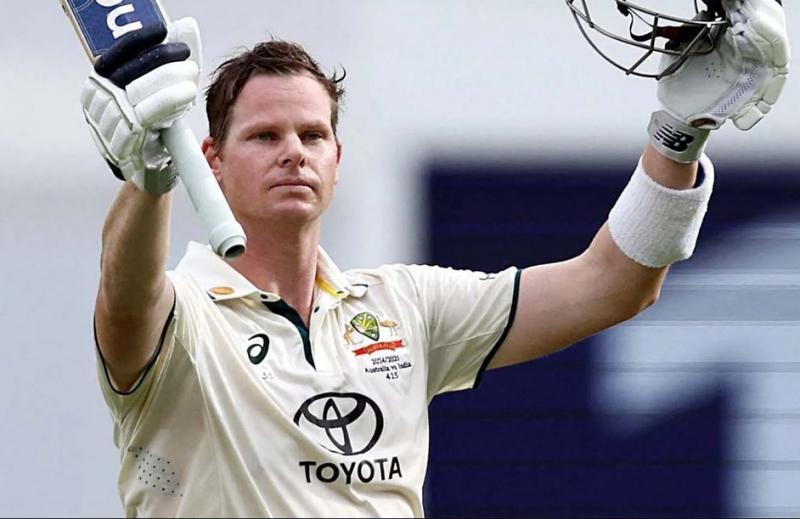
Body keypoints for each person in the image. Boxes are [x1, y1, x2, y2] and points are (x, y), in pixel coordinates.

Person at [80, 1, 789, 516]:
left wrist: (679, 132)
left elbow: (613, 283)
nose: (293, 151)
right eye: (265, 136)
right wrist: (149, 177)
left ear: (336, 157)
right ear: (212, 159)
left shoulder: (403, 307)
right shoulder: (184, 317)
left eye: (312, 135)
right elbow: (124, 296)